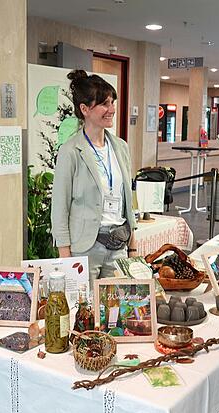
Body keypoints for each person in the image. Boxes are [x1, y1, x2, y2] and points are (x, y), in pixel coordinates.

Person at [51, 70, 137, 283]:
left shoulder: (121, 147)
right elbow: (59, 207)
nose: (112, 110)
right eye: (105, 104)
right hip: (85, 249)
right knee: (84, 312)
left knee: (117, 310)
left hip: (119, 246)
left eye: (113, 102)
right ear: (85, 109)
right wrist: (65, 258)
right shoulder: (71, 151)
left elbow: (128, 199)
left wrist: (133, 246)